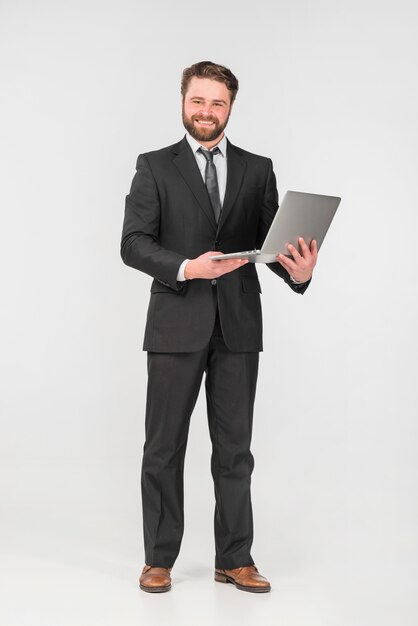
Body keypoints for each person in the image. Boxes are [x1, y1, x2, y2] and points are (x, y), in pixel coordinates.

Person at [120, 61, 317, 594]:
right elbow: (133, 243)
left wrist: (298, 272)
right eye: (198, 101)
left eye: (217, 103)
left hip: (237, 328)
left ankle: (235, 558)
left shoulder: (257, 169)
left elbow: (273, 246)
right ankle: (158, 557)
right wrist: (188, 267)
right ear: (183, 101)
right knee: (163, 447)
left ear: (231, 108)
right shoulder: (155, 166)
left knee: (235, 450)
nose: (206, 112)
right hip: (175, 324)